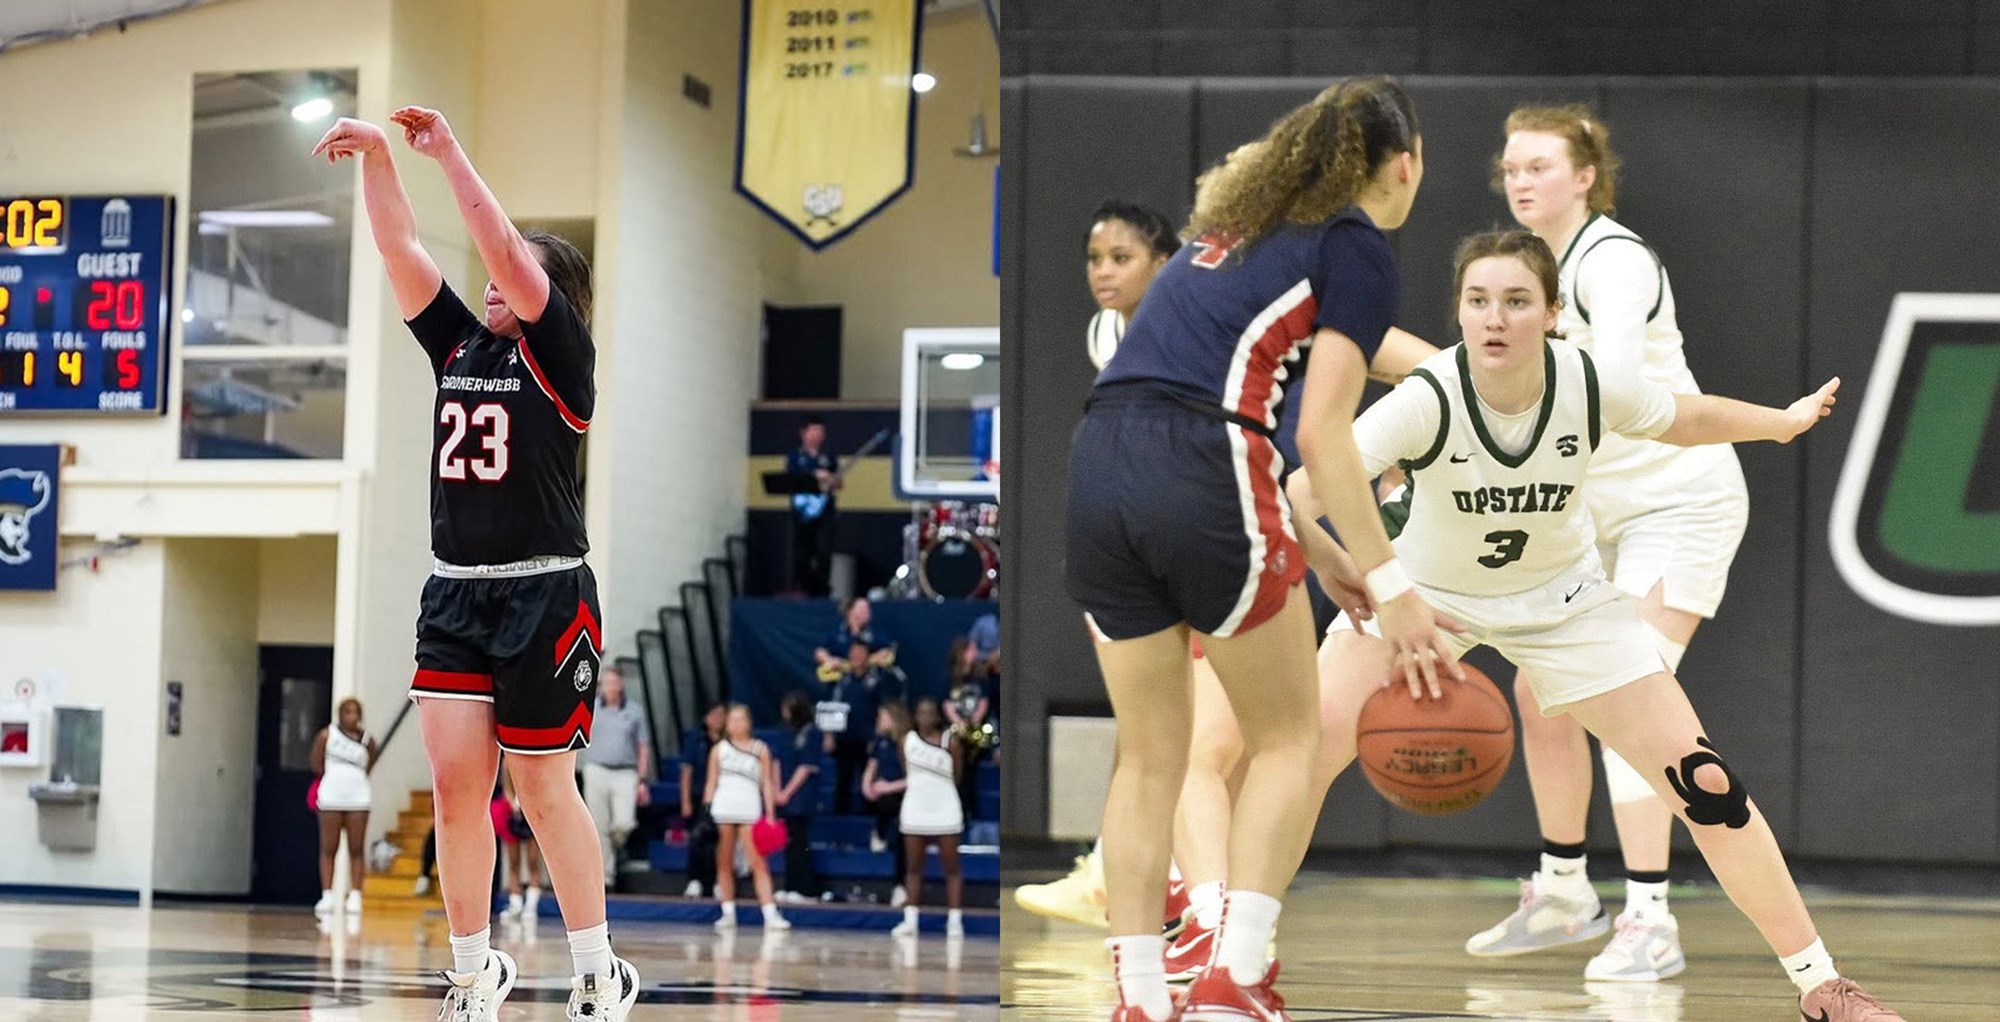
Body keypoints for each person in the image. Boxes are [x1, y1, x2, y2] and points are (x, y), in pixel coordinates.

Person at [1292, 227, 1900, 1021]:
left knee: (1706, 784)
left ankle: (1822, 985)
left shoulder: (1585, 381)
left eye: (1516, 301)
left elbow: (1683, 416)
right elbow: (1304, 491)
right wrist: (1365, 575)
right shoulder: (1429, 396)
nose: (1495, 318)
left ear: (1551, 314)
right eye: (1478, 301)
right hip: (1426, 599)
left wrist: (1777, 424)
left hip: (1564, 602)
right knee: (1301, 752)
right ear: (1460, 312)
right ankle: (1225, 947)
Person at [1063, 77, 1460, 1022]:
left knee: (1148, 759)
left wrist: (1319, 550)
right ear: (1403, 164)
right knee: (1290, 736)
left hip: (1097, 468)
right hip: (1203, 463)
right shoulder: (1354, 243)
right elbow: (1322, 433)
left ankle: (1140, 998)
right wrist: (1395, 583)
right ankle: (1233, 980)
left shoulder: (1220, 238)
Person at [313, 106, 637, 1022]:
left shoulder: (566, 358)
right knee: (460, 786)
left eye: (513, 273)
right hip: (456, 590)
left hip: (545, 590)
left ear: (551, 293)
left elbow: (501, 250)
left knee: (540, 785)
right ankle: (471, 970)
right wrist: (379, 159)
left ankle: (594, 968)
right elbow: (402, 246)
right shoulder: (458, 343)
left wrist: (450, 151)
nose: (491, 283)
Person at [1461, 105, 1752, 981]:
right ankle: (1562, 890)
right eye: (1511, 166)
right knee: (1541, 693)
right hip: (1597, 511)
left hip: (1678, 503)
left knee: (1628, 704)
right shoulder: (1527, 273)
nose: (1520, 180)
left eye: (1540, 166)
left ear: (1585, 176)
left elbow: (1616, 385)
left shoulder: (1614, 261)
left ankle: (1652, 918)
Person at [705, 704, 790, 931]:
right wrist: (706, 811)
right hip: (723, 809)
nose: (737, 724)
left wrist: (770, 813)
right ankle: (728, 912)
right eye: (732, 719)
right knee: (724, 862)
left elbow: (767, 785)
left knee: (758, 863)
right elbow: (711, 782)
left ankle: (770, 913)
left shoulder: (760, 749)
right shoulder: (719, 749)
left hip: (749, 810)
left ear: (749, 723)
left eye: (741, 719)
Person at [892, 697, 966, 940]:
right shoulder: (906, 741)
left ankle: (954, 921)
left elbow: (958, 776)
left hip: (946, 808)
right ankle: (910, 920)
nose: (925, 718)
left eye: (930, 713)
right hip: (915, 808)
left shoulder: (951, 741)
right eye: (921, 713)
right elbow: (906, 771)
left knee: (951, 868)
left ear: (937, 717)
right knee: (913, 867)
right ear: (915, 716)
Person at [814, 597, 895, 814]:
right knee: (843, 777)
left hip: (867, 733)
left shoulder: (875, 676)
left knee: (868, 776)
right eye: (861, 608)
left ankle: (869, 820)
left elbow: (887, 654)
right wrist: (829, 734)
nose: (866, 612)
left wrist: (878, 736)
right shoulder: (840, 677)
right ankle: (840, 823)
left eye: (867, 609)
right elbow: (820, 652)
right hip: (843, 732)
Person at [1084, 199, 1181, 371]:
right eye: (1095, 258)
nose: (1102, 272)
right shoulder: (1104, 329)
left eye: (1120, 258)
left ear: (1160, 264)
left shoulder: (1194, 328)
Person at [580, 666, 652, 892]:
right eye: (606, 682)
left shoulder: (634, 711)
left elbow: (643, 745)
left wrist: (642, 778)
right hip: (596, 769)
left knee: (623, 822)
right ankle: (606, 878)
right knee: (598, 826)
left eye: (614, 682)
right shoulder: (591, 707)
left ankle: (618, 848)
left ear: (621, 684)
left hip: (625, 771)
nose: (611, 686)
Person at [310, 697, 378, 919]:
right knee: (329, 847)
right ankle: (328, 894)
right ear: (339, 714)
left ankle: (356, 894)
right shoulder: (326, 736)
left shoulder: (368, 740)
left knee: (356, 848)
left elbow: (370, 764)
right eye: (346, 712)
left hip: (358, 799)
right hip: (331, 798)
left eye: (355, 712)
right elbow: (315, 763)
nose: (351, 716)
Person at [773, 692, 823, 903]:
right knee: (789, 842)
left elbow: (805, 766)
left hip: (800, 796)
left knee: (800, 841)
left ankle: (804, 887)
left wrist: (787, 792)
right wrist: (776, 790)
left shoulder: (812, 733)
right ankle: (790, 883)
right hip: (783, 793)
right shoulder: (783, 732)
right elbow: (776, 761)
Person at [860, 701, 911, 907]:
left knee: (901, 832)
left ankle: (900, 886)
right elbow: (872, 766)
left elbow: (912, 778)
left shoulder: (906, 743)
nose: (879, 721)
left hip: (902, 793)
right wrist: (867, 786)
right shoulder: (879, 742)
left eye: (883, 717)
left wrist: (888, 787)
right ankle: (879, 832)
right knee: (880, 801)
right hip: (882, 793)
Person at [680, 701, 727, 898]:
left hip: (724, 796)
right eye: (713, 715)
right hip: (699, 795)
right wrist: (685, 801)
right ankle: (695, 880)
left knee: (721, 841)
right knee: (697, 839)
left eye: (721, 715)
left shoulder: (728, 742)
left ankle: (719, 881)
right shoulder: (696, 740)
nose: (717, 719)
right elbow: (687, 771)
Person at [788, 417, 839, 597]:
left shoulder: (829, 457)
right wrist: (814, 475)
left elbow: (838, 483)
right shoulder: (795, 456)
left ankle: (823, 590)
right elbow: (790, 479)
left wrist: (831, 480)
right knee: (802, 553)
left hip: (824, 512)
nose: (817, 435)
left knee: (824, 551)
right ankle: (801, 589)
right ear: (803, 433)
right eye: (814, 431)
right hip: (802, 512)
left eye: (820, 432)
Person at [498, 754, 549, 923]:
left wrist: (528, 804)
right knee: (513, 862)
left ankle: (531, 905)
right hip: (513, 814)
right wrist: (514, 803)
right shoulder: (507, 764)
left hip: (533, 812)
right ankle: (515, 903)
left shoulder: (537, 761)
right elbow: (506, 788)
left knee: (533, 861)